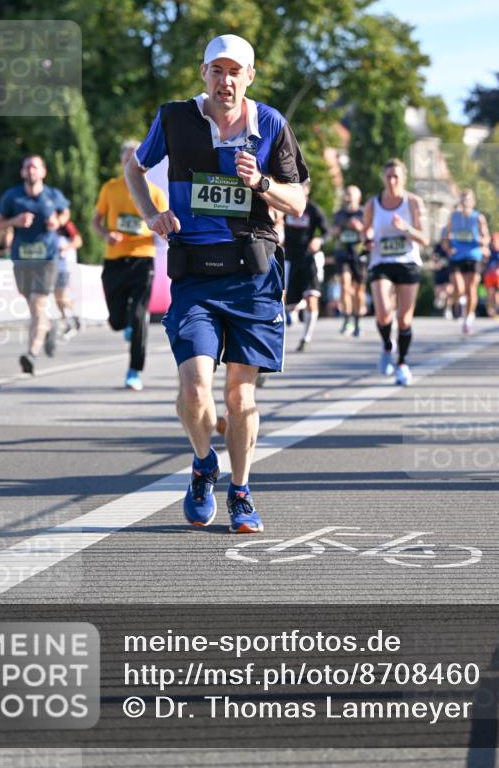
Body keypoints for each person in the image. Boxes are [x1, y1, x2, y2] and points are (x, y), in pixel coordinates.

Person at [125, 34, 308, 533]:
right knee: (194, 388)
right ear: (202, 72)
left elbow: (299, 203)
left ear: (250, 76)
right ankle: (204, 463)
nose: (225, 80)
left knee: (240, 398)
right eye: (216, 70)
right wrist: (151, 214)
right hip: (195, 274)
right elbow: (134, 167)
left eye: (235, 72)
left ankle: (242, 491)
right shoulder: (174, 118)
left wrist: (263, 184)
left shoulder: (270, 124)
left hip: (252, 275)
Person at [93, 140, 168, 390]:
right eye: (126, 159)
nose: (130, 163)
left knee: (138, 317)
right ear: (121, 162)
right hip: (114, 259)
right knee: (116, 320)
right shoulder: (110, 188)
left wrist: (158, 231)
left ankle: (134, 371)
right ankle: (124, 323)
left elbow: (165, 225)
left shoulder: (155, 192)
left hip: (142, 258)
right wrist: (106, 236)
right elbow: (96, 222)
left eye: (135, 160)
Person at [0, 155, 70, 374]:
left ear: (43, 172)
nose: (31, 170)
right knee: (34, 307)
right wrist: (14, 222)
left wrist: (58, 221)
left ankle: (31, 354)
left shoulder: (53, 195)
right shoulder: (12, 196)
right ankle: (49, 326)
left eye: (35, 167)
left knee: (37, 305)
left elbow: (65, 213)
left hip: (47, 259)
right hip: (21, 259)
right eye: (27, 167)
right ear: (22, 172)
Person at [363, 158, 429, 385]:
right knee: (382, 312)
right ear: (383, 178)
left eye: (396, 177)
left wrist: (406, 229)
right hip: (381, 262)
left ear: (404, 179)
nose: (392, 181)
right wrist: (368, 240)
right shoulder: (373, 203)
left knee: (404, 319)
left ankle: (402, 363)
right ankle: (386, 345)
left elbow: (425, 238)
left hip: (408, 262)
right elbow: (366, 234)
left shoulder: (413, 203)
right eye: (388, 176)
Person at [283, 182, 330, 352]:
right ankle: (295, 308)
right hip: (290, 259)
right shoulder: (285, 206)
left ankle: (306, 338)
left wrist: (319, 240)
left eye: (302, 186)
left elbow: (327, 232)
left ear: (307, 189)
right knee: (287, 302)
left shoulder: (313, 210)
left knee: (312, 298)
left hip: (308, 259)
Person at [442, 189, 490, 335]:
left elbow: (486, 237)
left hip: (473, 255)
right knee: (459, 287)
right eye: (463, 200)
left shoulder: (478, 218)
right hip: (457, 256)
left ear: (473, 202)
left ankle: (468, 318)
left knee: (471, 288)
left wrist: (483, 244)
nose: (465, 203)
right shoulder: (453, 217)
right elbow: (445, 236)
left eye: (468, 200)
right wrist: (448, 248)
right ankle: (458, 303)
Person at [332, 185, 367, 336]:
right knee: (345, 286)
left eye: (350, 195)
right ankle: (347, 320)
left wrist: (360, 228)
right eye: (346, 194)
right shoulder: (339, 214)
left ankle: (358, 322)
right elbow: (332, 232)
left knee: (359, 290)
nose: (347, 197)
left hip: (359, 255)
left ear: (358, 198)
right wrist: (337, 230)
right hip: (343, 254)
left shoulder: (364, 212)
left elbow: (371, 232)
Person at [55, 219, 82, 340]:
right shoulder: (46, 223)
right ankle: (71, 319)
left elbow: (78, 241)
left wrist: (66, 248)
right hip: (52, 266)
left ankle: (72, 319)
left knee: (61, 296)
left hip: (65, 266)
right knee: (57, 299)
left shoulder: (66, 225)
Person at [431, 240, 453, 318]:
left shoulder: (452, 245)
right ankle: (440, 297)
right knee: (438, 291)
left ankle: (448, 309)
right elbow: (433, 257)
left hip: (448, 272)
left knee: (448, 291)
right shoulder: (437, 247)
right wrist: (436, 263)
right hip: (439, 273)